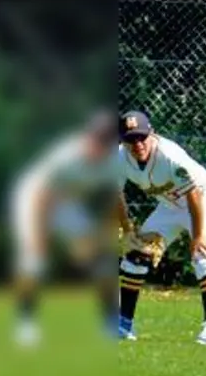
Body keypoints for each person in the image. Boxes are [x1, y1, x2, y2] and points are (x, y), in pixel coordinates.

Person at [7, 111, 122, 347]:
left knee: (103, 261)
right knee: (34, 260)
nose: (97, 144)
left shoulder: (112, 162)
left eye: (104, 140)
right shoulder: (67, 156)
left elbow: (112, 201)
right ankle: (25, 322)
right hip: (34, 197)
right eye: (95, 138)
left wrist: (100, 238)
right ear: (89, 136)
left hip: (66, 201)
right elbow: (42, 199)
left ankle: (110, 320)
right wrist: (40, 239)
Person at [113, 110, 206, 346]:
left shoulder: (168, 155)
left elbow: (193, 194)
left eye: (141, 137)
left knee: (203, 254)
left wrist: (198, 235)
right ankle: (124, 324)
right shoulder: (119, 157)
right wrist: (127, 230)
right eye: (130, 139)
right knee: (136, 255)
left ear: (151, 134)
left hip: (204, 199)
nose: (138, 144)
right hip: (170, 206)